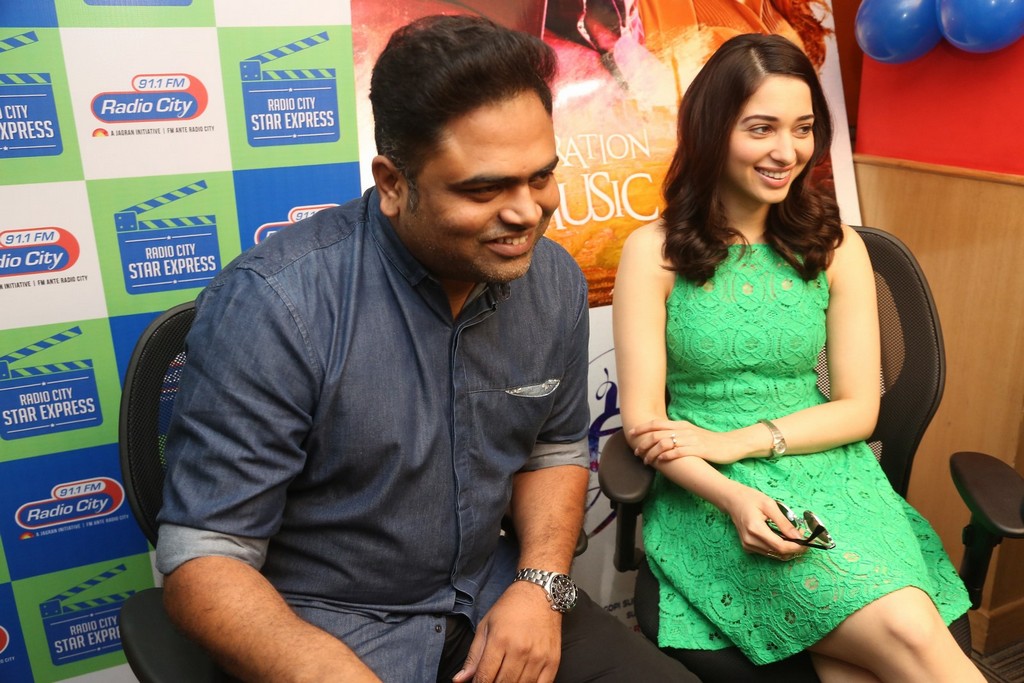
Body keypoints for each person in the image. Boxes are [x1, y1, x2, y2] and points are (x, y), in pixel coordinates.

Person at [155, 14, 696, 683]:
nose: (527, 213)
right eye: (484, 188)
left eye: (540, 178)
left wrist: (540, 585)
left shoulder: (553, 280)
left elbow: (552, 449)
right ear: (392, 183)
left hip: (497, 595)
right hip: (330, 630)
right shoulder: (276, 304)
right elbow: (204, 555)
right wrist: (326, 671)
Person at [612, 33, 981, 683]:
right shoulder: (653, 253)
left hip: (832, 473)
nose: (787, 151)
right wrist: (732, 493)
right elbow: (645, 424)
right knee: (901, 631)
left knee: (894, 636)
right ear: (712, 131)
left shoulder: (835, 247)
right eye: (762, 128)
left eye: (804, 128)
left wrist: (740, 440)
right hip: (707, 490)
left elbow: (860, 409)